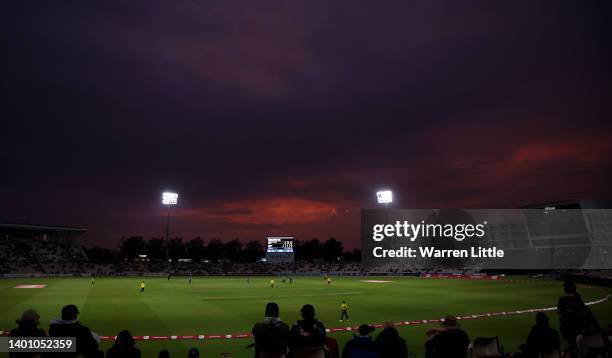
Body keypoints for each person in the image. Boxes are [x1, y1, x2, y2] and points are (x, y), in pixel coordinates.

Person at [557, 280, 597, 348]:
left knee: (572, 344)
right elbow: (584, 312)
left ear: (565, 289)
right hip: (578, 326)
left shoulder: (562, 300)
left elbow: (559, 312)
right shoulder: (578, 299)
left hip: (568, 327)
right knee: (579, 344)